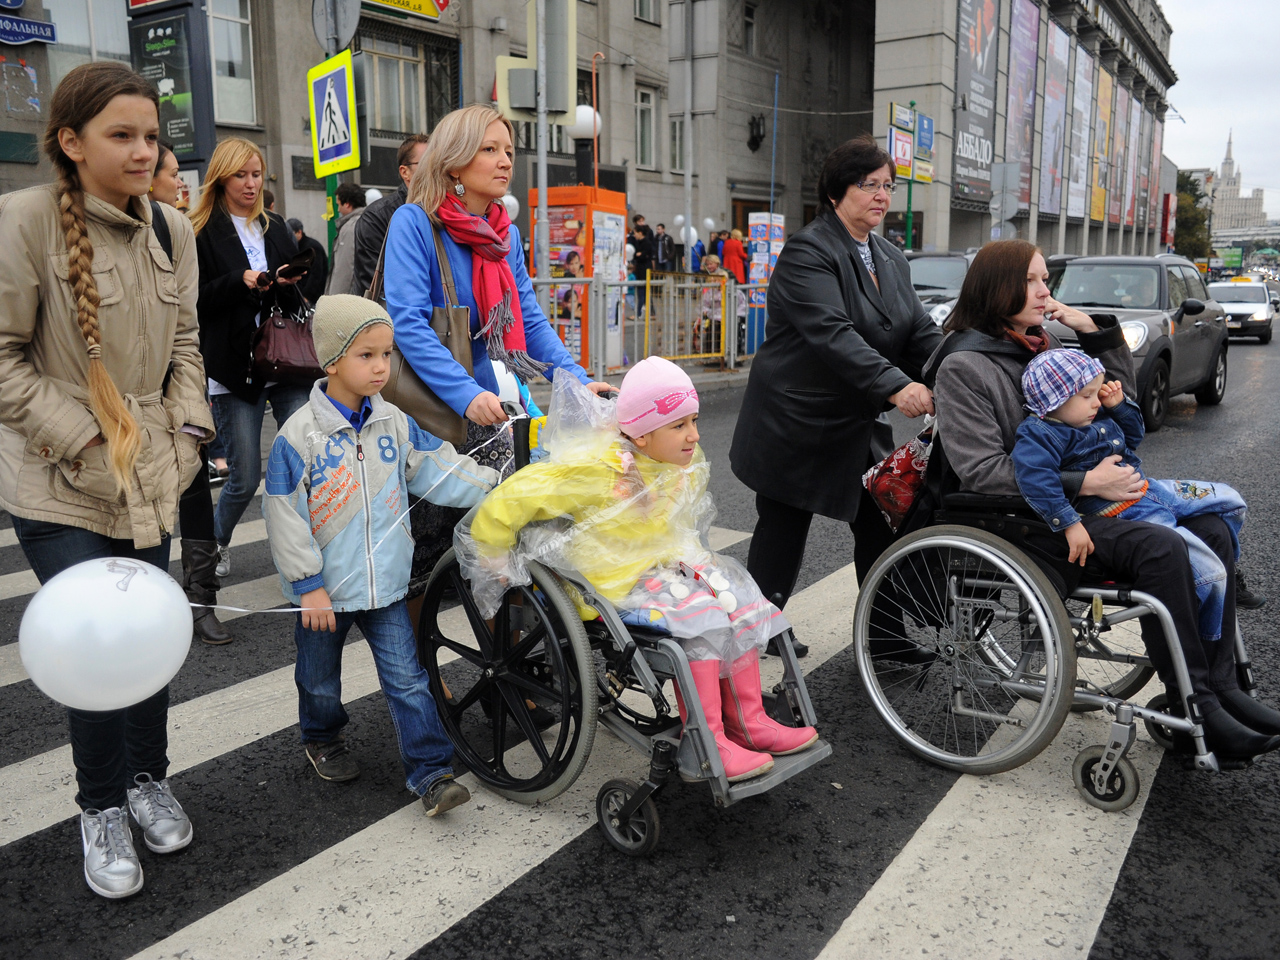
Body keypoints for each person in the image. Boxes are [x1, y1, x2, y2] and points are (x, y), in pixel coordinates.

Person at [930, 238, 1280, 760]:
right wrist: (1086, 484)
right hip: (1028, 516)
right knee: (1162, 547)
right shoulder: (963, 366)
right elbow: (981, 471)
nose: (1045, 290)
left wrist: (1094, 331)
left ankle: (1223, 684)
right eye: (1032, 280)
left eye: (1045, 279)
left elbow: (1115, 402)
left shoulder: (1042, 341)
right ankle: (1198, 705)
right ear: (997, 285)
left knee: (1208, 524)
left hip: (1085, 502)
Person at [0, 61, 213, 898]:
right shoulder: (22, 222)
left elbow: (188, 348)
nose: (141, 151)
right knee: (96, 651)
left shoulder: (172, 229)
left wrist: (189, 431)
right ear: (71, 141)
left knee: (146, 646)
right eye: (121, 135)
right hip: (59, 484)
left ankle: (146, 778)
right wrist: (87, 434)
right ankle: (101, 806)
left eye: (150, 136)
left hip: (153, 476)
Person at [458, 360, 819, 782]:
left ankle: (748, 720)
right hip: (610, 586)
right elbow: (509, 499)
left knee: (737, 599)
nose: (695, 435)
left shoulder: (670, 463)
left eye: (695, 421)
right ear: (643, 433)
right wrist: (493, 555)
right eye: (680, 425)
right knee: (702, 616)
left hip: (658, 568)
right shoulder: (597, 470)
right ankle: (706, 739)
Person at [263, 295, 498, 815]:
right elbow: (283, 518)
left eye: (386, 354)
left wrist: (495, 485)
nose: (381, 367)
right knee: (318, 679)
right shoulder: (298, 436)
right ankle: (322, 737)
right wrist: (308, 586)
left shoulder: (393, 420)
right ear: (331, 361)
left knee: (410, 681)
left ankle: (432, 774)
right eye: (366, 355)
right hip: (324, 594)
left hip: (386, 587)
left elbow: (437, 469)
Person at [381, 104, 612, 623]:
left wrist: (574, 379)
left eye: (508, 150)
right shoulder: (414, 223)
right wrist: (466, 394)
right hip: (425, 409)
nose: (504, 160)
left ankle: (507, 667)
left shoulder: (501, 233)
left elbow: (528, 320)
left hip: (483, 401)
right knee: (428, 545)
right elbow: (410, 325)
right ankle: (425, 679)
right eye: (489, 149)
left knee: (503, 534)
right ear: (455, 162)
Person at [730, 134, 943, 657]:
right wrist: (897, 386)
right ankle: (764, 628)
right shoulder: (809, 251)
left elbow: (916, 329)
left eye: (887, 185)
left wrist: (953, 371)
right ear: (835, 191)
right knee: (783, 526)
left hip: (853, 419)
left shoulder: (890, 257)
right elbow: (833, 333)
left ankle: (886, 634)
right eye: (867, 184)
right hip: (795, 419)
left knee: (879, 520)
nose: (880, 195)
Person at [190, 137, 310, 580]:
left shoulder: (273, 224)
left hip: (288, 360)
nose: (250, 183)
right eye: (240, 174)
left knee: (304, 458)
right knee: (244, 478)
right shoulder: (200, 231)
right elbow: (194, 300)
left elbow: (294, 289)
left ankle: (301, 555)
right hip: (235, 366)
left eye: (256, 174)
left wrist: (288, 277)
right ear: (221, 177)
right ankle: (214, 545)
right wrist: (239, 282)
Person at [150, 142, 234, 645]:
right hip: (122, 394)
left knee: (195, 490)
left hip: (179, 382)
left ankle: (200, 600)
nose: (180, 183)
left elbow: (188, 321)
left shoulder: (174, 227)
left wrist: (190, 392)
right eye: (173, 174)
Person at [351, 134, 429, 297]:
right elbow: (375, 287)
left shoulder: (448, 210)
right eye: (427, 163)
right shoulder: (377, 217)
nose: (436, 170)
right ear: (405, 172)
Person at [326, 181, 367, 296]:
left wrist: (334, 300)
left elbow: (344, 270)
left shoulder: (350, 228)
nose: (338, 209)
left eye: (338, 204)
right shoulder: (368, 222)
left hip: (347, 300)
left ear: (347, 204)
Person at [287, 217, 329, 303]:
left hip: (313, 297)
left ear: (299, 232)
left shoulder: (312, 247)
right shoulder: (294, 247)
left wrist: (307, 296)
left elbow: (316, 274)